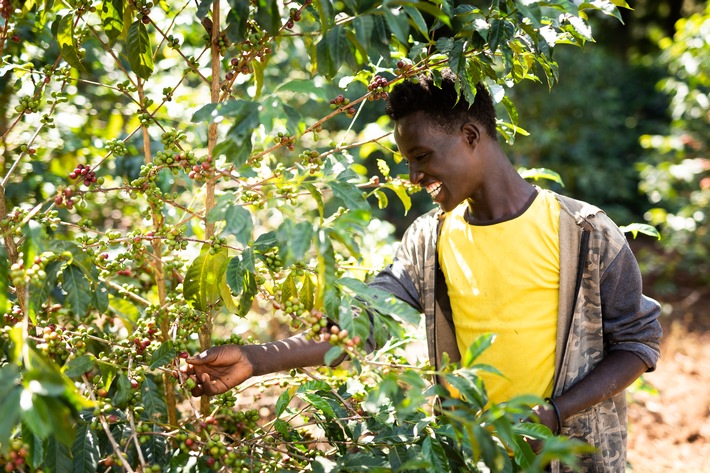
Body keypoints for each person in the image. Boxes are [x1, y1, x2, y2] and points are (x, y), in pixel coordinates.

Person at [184, 71, 663, 472]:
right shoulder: (429, 239)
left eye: (421, 157)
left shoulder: (582, 232)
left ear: (470, 136)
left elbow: (638, 343)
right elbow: (362, 326)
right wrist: (256, 359)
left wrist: (555, 414)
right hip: (471, 457)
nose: (414, 177)